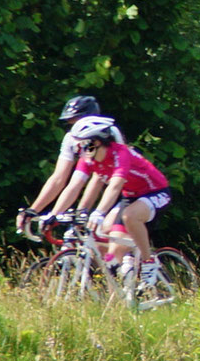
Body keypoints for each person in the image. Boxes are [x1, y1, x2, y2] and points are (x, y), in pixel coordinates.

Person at [45, 117, 172, 286]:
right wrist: (54, 214)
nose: (78, 150)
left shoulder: (120, 153)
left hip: (155, 191)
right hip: (132, 196)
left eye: (82, 144)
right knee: (111, 257)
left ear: (96, 141)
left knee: (129, 216)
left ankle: (149, 263)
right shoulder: (89, 158)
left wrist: (98, 212)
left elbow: (115, 185)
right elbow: (74, 186)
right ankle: (124, 295)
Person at [19, 95, 123, 236]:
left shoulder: (110, 134)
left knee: (105, 234)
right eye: (71, 123)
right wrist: (34, 210)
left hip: (124, 189)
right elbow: (60, 178)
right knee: (80, 240)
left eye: (77, 121)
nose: (74, 128)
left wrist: (82, 211)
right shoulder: (71, 139)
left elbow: (98, 178)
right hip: (105, 187)